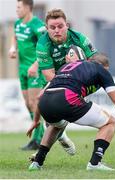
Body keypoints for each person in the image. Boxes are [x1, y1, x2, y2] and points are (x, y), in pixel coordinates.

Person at [27, 49, 115, 171]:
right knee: (110, 123)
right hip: (66, 98)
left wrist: (35, 121)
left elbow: (40, 97)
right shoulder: (101, 70)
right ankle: (95, 163)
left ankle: (37, 162)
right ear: (105, 67)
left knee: (56, 126)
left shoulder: (66, 67)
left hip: (45, 103)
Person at [8, 1, 75, 153]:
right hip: (22, 68)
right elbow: (15, 37)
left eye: (19, 7)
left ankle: (38, 139)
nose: (17, 10)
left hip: (35, 69)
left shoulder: (38, 26)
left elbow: (44, 47)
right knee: (27, 103)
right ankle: (43, 133)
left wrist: (36, 64)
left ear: (27, 7)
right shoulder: (18, 23)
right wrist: (13, 49)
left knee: (34, 102)